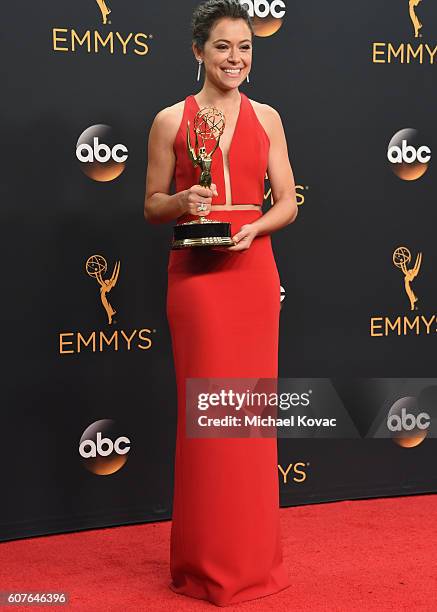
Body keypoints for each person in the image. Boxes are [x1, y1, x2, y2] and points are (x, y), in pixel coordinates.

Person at [144, 0, 298, 606]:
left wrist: (255, 229)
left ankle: (255, 562)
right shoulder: (168, 121)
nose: (236, 59)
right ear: (198, 51)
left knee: (252, 420)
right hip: (199, 279)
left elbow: (287, 200)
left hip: (252, 270)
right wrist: (185, 202)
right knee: (208, 421)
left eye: (246, 48)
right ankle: (203, 567)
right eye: (223, 47)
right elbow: (151, 204)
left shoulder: (270, 117)